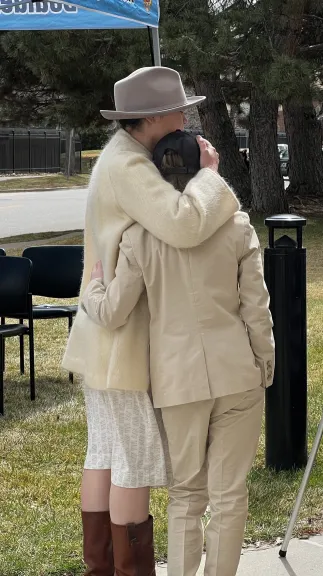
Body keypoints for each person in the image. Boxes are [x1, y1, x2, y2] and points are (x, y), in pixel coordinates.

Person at [62, 67, 240, 576]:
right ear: (157, 117)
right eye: (180, 109)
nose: (185, 116)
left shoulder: (120, 157)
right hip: (122, 338)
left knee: (105, 453)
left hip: (102, 332)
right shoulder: (130, 167)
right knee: (133, 460)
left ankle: (100, 567)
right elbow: (184, 224)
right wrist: (208, 175)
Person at [81, 130, 275, 576]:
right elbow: (257, 306)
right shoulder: (237, 226)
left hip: (177, 382)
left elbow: (111, 312)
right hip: (237, 373)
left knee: (186, 495)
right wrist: (264, 362)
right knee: (230, 496)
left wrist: (93, 286)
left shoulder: (141, 237)